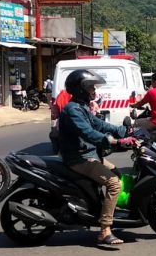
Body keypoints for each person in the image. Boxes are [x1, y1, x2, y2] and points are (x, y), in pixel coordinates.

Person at [57, 69, 137, 246]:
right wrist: (116, 141)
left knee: (116, 172)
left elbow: (99, 124)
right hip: (79, 158)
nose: (95, 91)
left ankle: (103, 207)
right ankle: (105, 229)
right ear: (81, 89)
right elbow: (88, 133)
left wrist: (125, 131)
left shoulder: (81, 107)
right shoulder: (73, 110)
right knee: (114, 184)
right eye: (91, 87)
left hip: (89, 154)